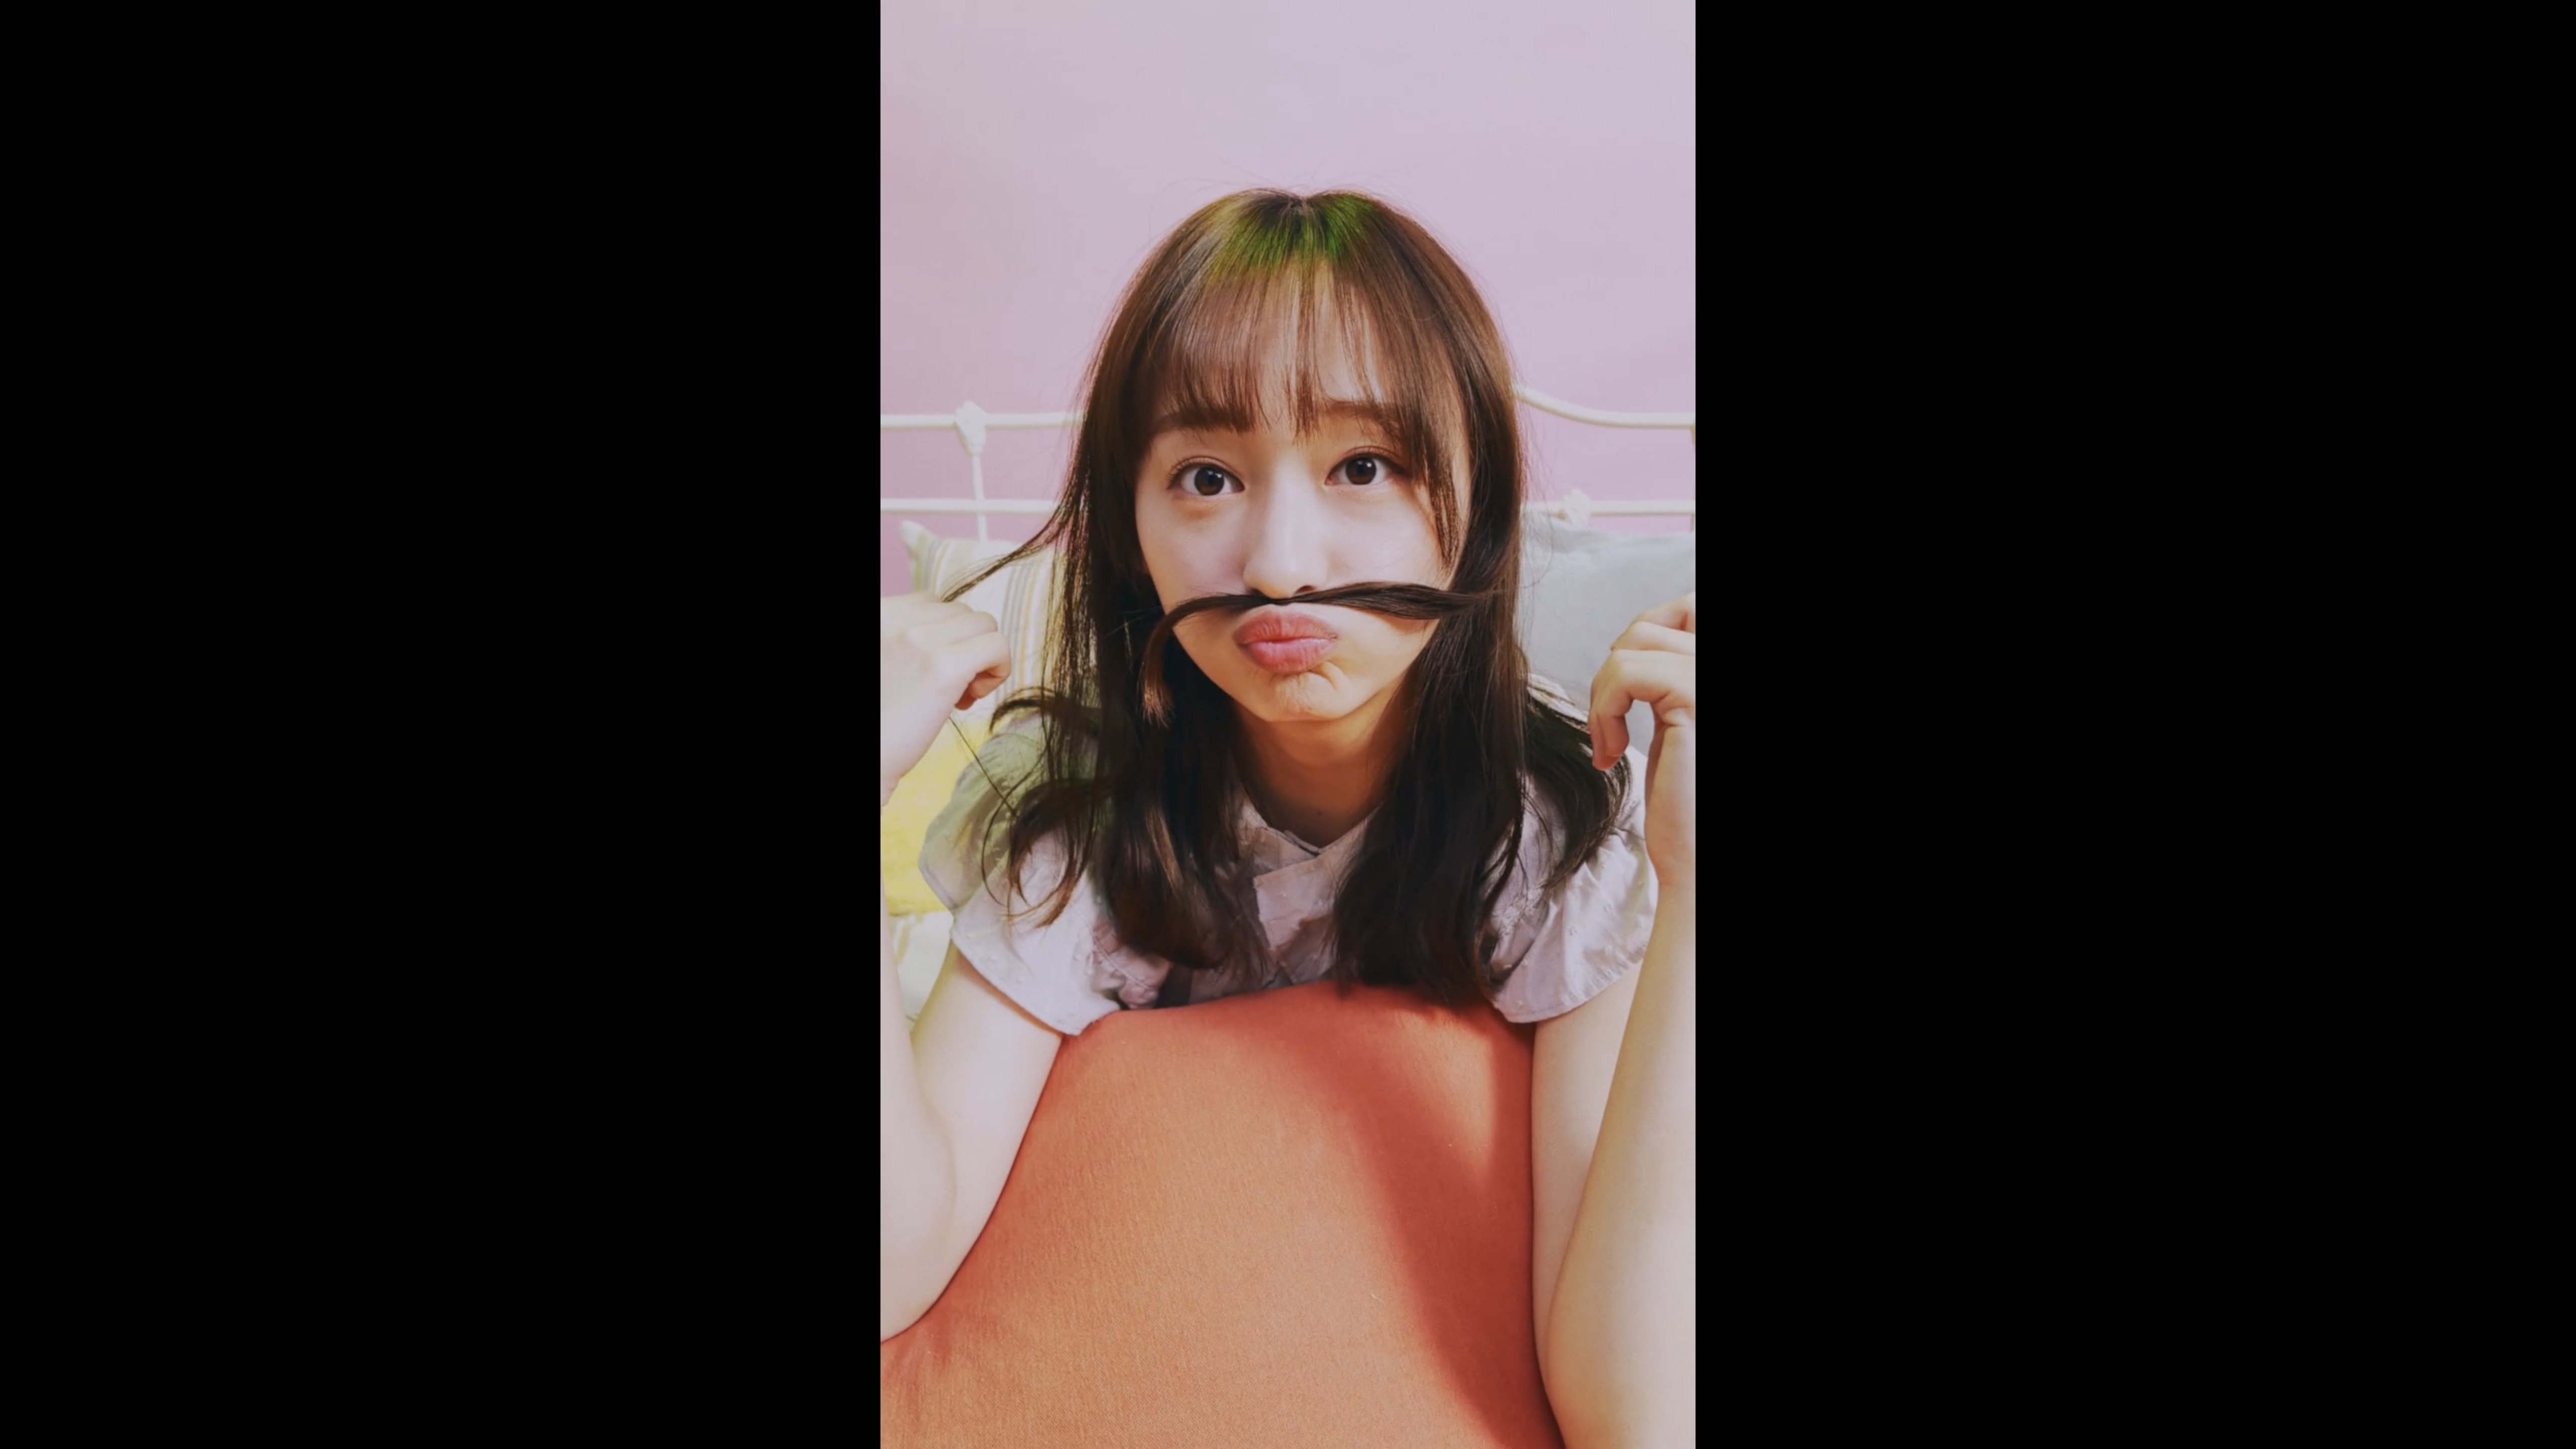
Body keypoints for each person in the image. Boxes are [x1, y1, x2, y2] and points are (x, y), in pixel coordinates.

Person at [878, 189, 1694, 1442]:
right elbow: (896, 1263)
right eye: (1205, 478)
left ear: (1475, 500)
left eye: (1362, 468)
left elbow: (1636, 1412)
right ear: (1129, 531)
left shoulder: (1561, 824)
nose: (1279, 565)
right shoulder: (1068, 810)